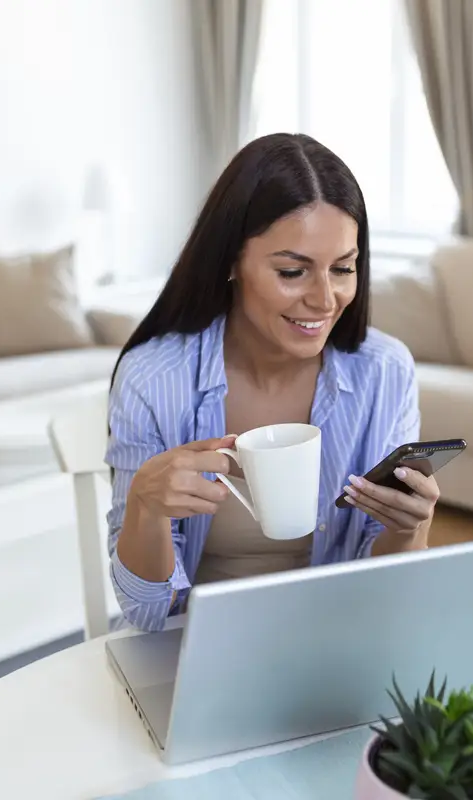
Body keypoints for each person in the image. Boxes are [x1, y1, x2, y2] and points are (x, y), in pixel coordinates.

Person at [105, 132, 438, 632]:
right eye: (291, 271)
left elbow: (387, 596)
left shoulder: (384, 372)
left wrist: (411, 528)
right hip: (197, 644)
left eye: (343, 268)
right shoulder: (153, 378)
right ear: (232, 261)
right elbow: (146, 614)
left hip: (336, 638)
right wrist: (145, 510)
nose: (326, 300)